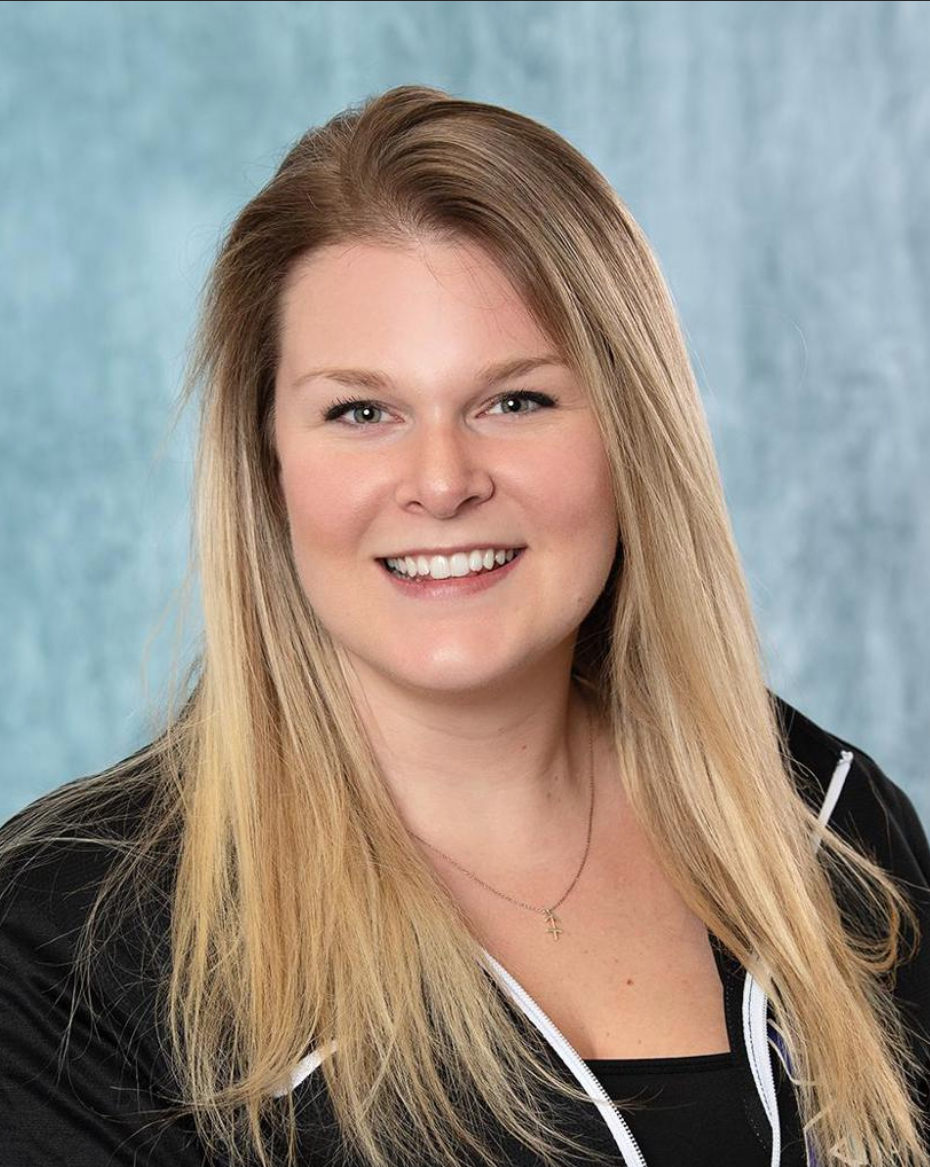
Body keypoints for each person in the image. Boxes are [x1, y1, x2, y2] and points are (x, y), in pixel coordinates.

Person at [0, 83, 927, 1167]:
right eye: (362, 412)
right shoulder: (70, 945)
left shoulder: (828, 828)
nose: (441, 482)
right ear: (270, 464)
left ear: (632, 434)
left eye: (516, 401)